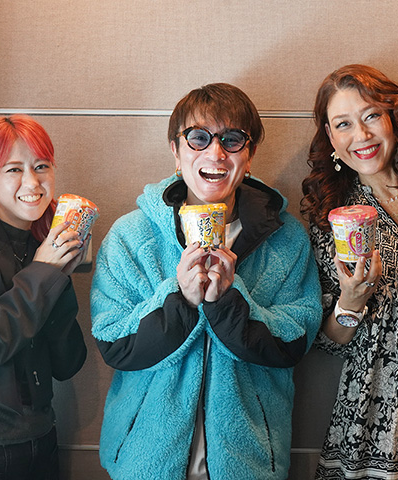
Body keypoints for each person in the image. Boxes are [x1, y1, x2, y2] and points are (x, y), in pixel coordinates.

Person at [91, 82, 322, 479]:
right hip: (145, 462)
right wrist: (178, 298)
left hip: (248, 464)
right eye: (198, 138)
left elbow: (293, 344)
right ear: (176, 151)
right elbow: (115, 344)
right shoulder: (132, 236)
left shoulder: (285, 239)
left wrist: (229, 301)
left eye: (232, 140)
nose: (215, 153)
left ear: (249, 156)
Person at [301, 64, 398, 479]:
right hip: (380, 413)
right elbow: (329, 342)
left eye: (371, 116)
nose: (361, 135)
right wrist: (351, 300)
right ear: (331, 137)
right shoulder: (331, 216)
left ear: (393, 118)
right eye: (343, 124)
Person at [0, 115, 88, 479]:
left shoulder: (43, 244)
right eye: (14, 169)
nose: (32, 182)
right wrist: (43, 272)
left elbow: (68, 364)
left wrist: (59, 277)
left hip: (43, 435)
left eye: (41, 166)